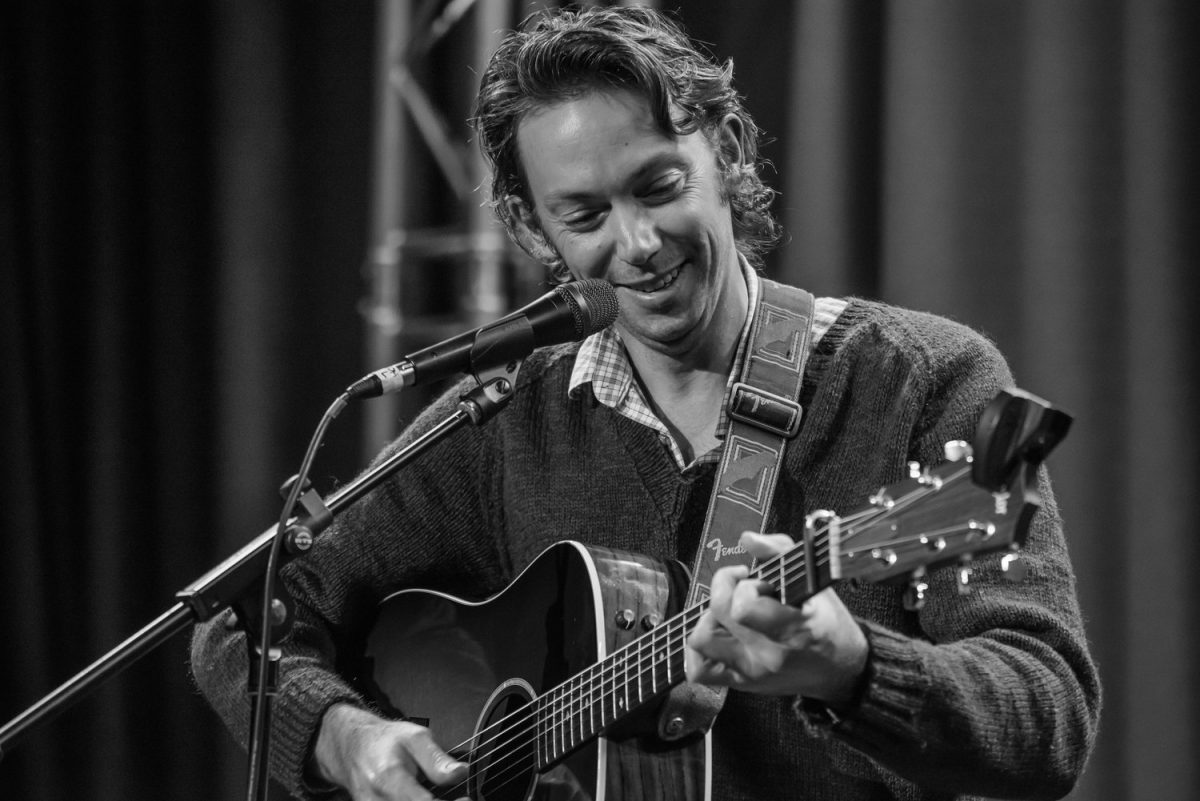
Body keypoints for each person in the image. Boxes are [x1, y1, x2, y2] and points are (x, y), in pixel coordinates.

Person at [190, 6, 1100, 800]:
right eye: (583, 215)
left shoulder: (918, 379)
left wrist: (854, 670)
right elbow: (241, 623)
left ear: (727, 149)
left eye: (659, 186)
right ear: (529, 227)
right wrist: (345, 737)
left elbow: (1049, 715)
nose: (637, 242)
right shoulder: (506, 421)